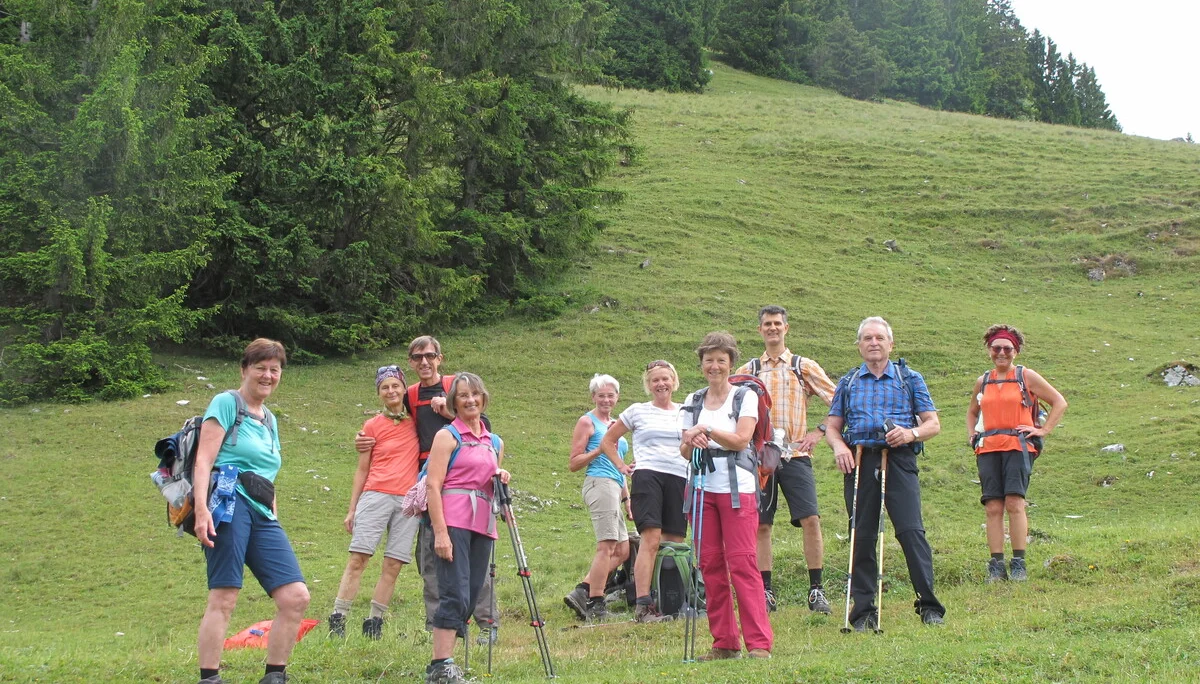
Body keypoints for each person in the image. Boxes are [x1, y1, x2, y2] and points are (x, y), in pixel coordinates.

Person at [354, 336, 498, 642]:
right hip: (428, 482)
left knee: (474, 557)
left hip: (463, 478)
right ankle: (439, 624)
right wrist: (365, 440)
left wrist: (448, 413)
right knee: (432, 557)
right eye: (418, 357)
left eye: (430, 356)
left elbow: (481, 422)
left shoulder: (455, 386)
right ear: (410, 362)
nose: (424, 362)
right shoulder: (411, 394)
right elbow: (393, 419)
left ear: (440, 358)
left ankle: (486, 624)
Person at [193, 339, 309, 684]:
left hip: (263, 512)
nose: (268, 375)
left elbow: (267, 474)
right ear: (244, 369)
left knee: (295, 597)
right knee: (225, 595)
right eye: (261, 367)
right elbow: (204, 459)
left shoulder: (269, 418)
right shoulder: (227, 403)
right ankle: (210, 678)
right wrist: (202, 509)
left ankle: (275, 676)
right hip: (228, 504)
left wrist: (274, 515)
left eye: (275, 369)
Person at [825, 317, 945, 630]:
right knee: (861, 535)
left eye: (879, 337)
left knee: (910, 531)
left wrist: (909, 434)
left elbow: (932, 423)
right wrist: (839, 448)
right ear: (859, 345)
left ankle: (930, 606)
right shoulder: (849, 382)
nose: (873, 343)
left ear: (891, 343)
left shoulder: (909, 378)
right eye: (867, 338)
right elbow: (834, 428)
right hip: (860, 460)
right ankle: (863, 612)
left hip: (899, 459)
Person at [736, 305, 837, 614]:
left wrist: (819, 431)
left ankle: (816, 590)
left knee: (811, 519)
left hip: (796, 453)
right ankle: (765, 592)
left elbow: (839, 399)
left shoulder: (801, 366)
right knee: (761, 525)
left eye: (778, 323)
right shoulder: (748, 371)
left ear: (786, 328)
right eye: (767, 324)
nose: (773, 328)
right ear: (760, 330)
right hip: (759, 458)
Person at [679, 332, 773, 660]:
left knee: (743, 563)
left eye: (721, 360)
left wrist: (706, 431)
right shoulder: (691, 400)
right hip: (702, 488)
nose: (714, 366)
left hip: (738, 489)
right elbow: (683, 449)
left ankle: (759, 644)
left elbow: (742, 439)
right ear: (701, 363)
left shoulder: (744, 396)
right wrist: (691, 440)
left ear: (731, 363)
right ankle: (724, 643)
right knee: (710, 565)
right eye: (709, 360)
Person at [424, 373, 511, 684]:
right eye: (463, 396)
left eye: (475, 394)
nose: (470, 400)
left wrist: (500, 476)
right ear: (454, 403)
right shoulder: (447, 436)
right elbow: (433, 486)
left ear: (483, 398)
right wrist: (441, 532)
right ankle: (440, 665)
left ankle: (444, 665)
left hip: (483, 523)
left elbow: (487, 479)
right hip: (454, 520)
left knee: (472, 594)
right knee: (453, 591)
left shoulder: (494, 441)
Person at [966, 325, 1067, 582]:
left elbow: (1059, 401)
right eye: (996, 348)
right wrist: (972, 434)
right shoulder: (983, 381)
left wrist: (1043, 430)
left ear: (1016, 351)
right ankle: (996, 566)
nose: (1001, 353)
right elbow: (972, 412)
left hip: (1017, 446)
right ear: (989, 350)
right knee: (992, 506)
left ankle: (1019, 563)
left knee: (1014, 502)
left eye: (1007, 348)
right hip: (988, 448)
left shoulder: (1026, 376)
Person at [328, 365, 422, 639]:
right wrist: (352, 508)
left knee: (393, 564)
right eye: (385, 387)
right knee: (359, 558)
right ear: (379, 393)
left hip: (408, 501)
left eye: (395, 386)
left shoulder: (417, 420)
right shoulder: (371, 426)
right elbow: (362, 469)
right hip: (376, 495)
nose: (391, 391)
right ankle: (338, 618)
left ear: (404, 389)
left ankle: (374, 623)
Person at [600, 360, 685, 623]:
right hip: (648, 476)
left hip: (680, 476)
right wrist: (622, 466)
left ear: (674, 382)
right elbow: (608, 440)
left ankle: (673, 600)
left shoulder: (685, 411)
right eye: (655, 380)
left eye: (665, 379)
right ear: (648, 385)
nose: (661, 384)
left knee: (675, 542)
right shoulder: (637, 411)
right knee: (651, 538)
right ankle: (643, 604)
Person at [563, 374, 632, 621]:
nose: (606, 399)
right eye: (601, 395)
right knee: (607, 545)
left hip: (615, 485)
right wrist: (599, 449)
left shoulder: (616, 424)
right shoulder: (587, 422)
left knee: (623, 550)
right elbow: (573, 463)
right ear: (593, 397)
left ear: (617, 398)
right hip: (599, 483)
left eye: (610, 395)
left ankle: (582, 590)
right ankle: (596, 602)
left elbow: (619, 464)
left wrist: (627, 498)